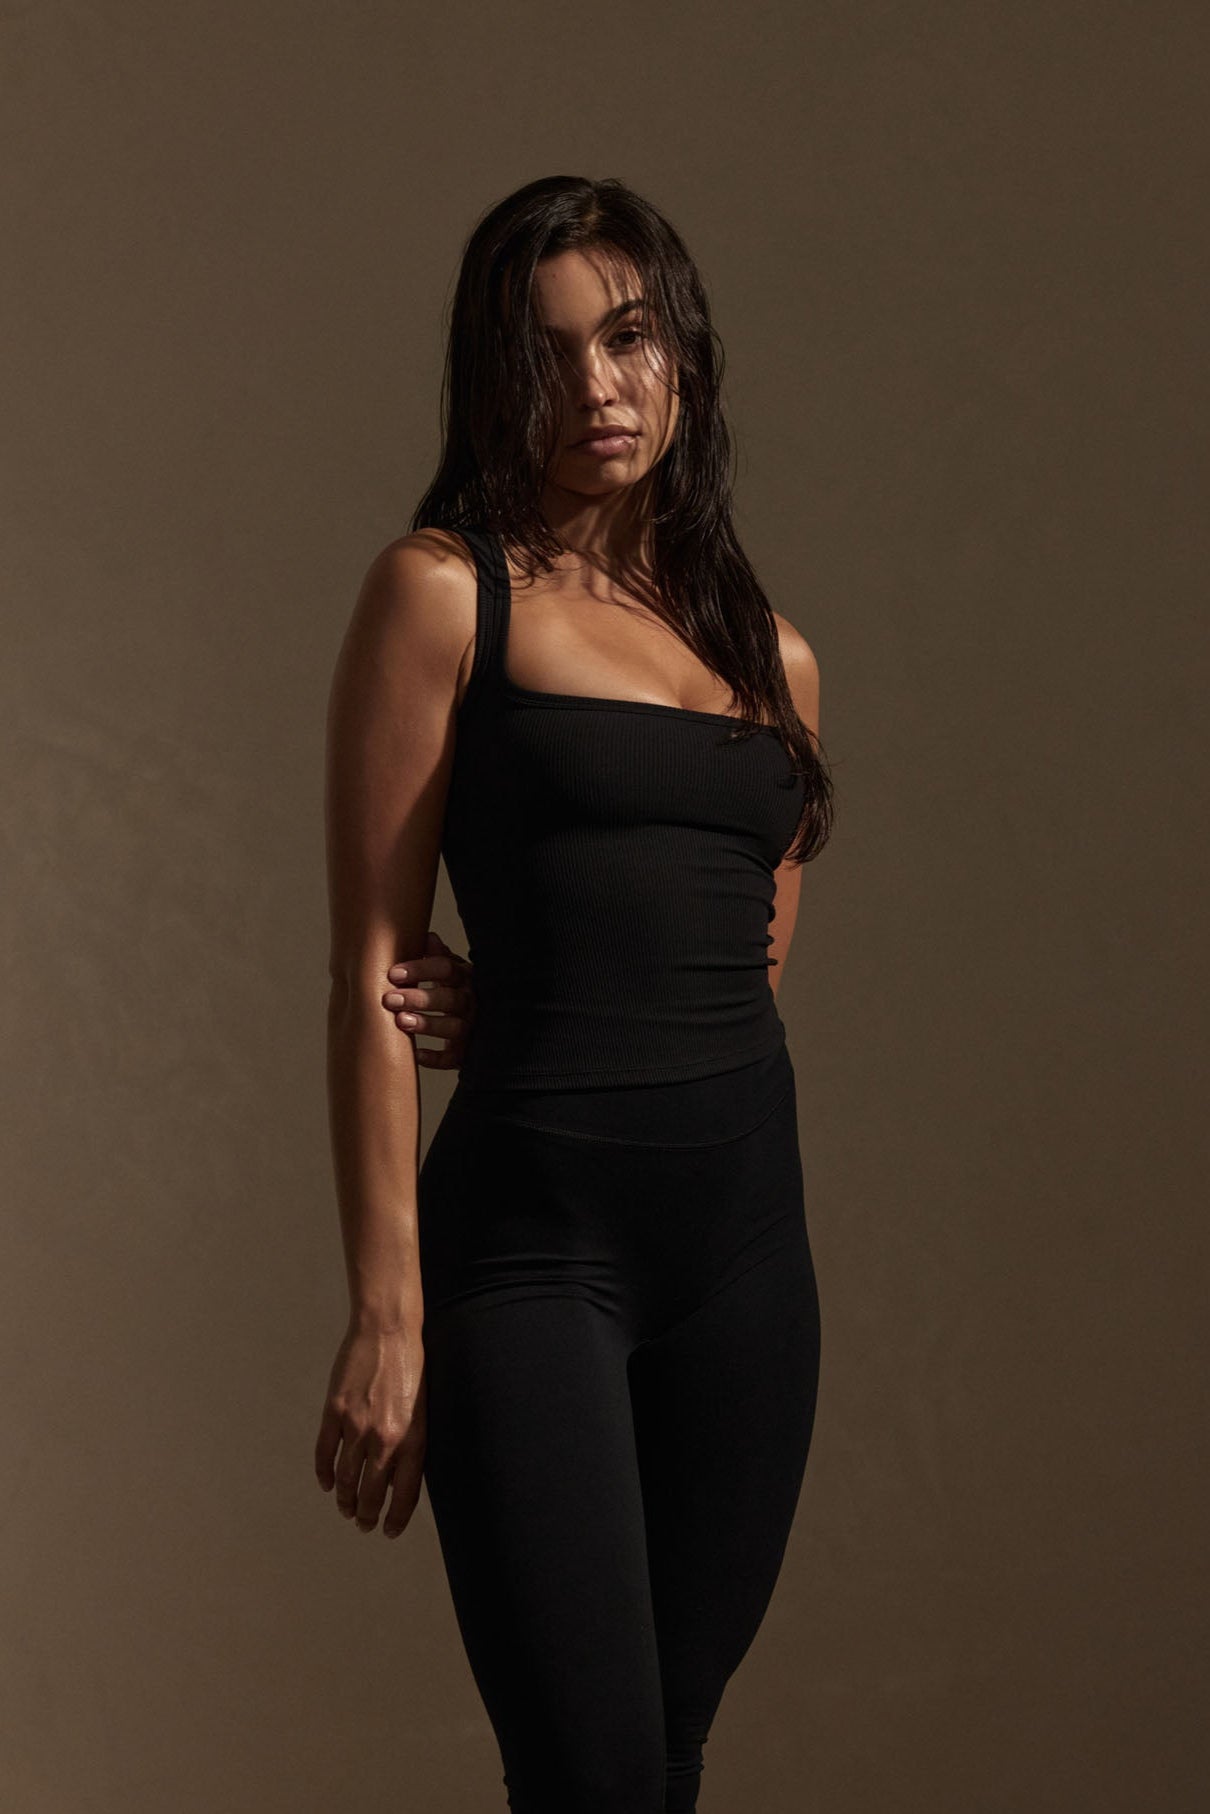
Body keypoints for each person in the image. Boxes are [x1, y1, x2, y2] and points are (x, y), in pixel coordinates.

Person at [315, 174, 835, 1813]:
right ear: (494, 380)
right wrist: (391, 1310)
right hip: (534, 1255)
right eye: (550, 354)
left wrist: (558, 975)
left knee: (667, 1756)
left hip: (746, 1260)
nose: (599, 389)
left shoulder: (768, 652)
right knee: (593, 1775)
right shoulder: (440, 592)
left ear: (682, 349)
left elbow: (746, 959)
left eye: (627, 337)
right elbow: (374, 971)